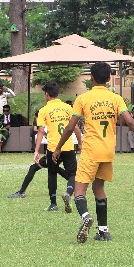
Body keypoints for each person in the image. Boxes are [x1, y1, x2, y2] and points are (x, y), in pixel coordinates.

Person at [52, 62, 134, 243]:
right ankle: (103, 231)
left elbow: (70, 127)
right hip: (108, 151)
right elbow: (130, 122)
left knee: (79, 191)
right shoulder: (115, 98)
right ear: (109, 78)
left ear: (91, 78)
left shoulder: (83, 99)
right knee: (99, 188)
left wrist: (58, 147)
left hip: (91, 149)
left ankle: (85, 216)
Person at [34, 82, 82, 212]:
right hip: (68, 146)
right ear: (58, 93)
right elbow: (75, 127)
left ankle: (53, 203)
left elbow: (40, 131)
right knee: (73, 174)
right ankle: (68, 192)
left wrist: (36, 150)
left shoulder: (43, 110)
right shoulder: (67, 107)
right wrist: (80, 143)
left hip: (53, 148)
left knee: (52, 173)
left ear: (46, 94)